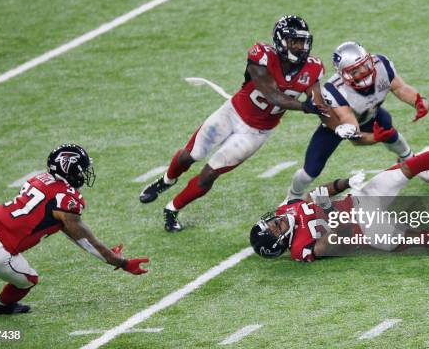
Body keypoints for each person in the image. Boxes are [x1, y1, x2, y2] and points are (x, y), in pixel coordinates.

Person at [139, 15, 330, 232]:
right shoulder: (262, 56)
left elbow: (317, 99)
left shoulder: (312, 68)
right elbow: (272, 95)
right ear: (279, 41)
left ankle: (172, 209)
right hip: (232, 114)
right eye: (293, 41)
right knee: (190, 154)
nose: (299, 47)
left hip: (256, 133)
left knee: (210, 173)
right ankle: (167, 180)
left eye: (302, 41)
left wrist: (328, 112)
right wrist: (305, 107)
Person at [0, 144, 149, 315]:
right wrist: (121, 262)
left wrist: (107, 255)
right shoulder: (67, 199)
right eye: (81, 170)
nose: (83, 174)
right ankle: (1, 306)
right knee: (29, 279)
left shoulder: (39, 179)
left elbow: (68, 229)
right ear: (69, 170)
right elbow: (83, 238)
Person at [251, 134, 429, 261]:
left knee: (413, 164)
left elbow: (314, 195)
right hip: (368, 230)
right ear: (279, 243)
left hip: (361, 199)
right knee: (423, 237)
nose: (277, 221)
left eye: (272, 221)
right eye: (275, 228)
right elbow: (338, 240)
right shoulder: (300, 249)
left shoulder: (287, 210)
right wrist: (329, 209)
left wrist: (342, 183)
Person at [286, 41, 429, 202]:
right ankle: (293, 196)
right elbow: (352, 129)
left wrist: (419, 101)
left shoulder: (381, 65)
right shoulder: (335, 90)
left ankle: (409, 159)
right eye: (355, 70)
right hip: (338, 127)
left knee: (388, 126)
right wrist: (374, 138)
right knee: (311, 170)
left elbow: (400, 88)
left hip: (370, 114)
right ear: (343, 74)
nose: (363, 71)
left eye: (364, 65)